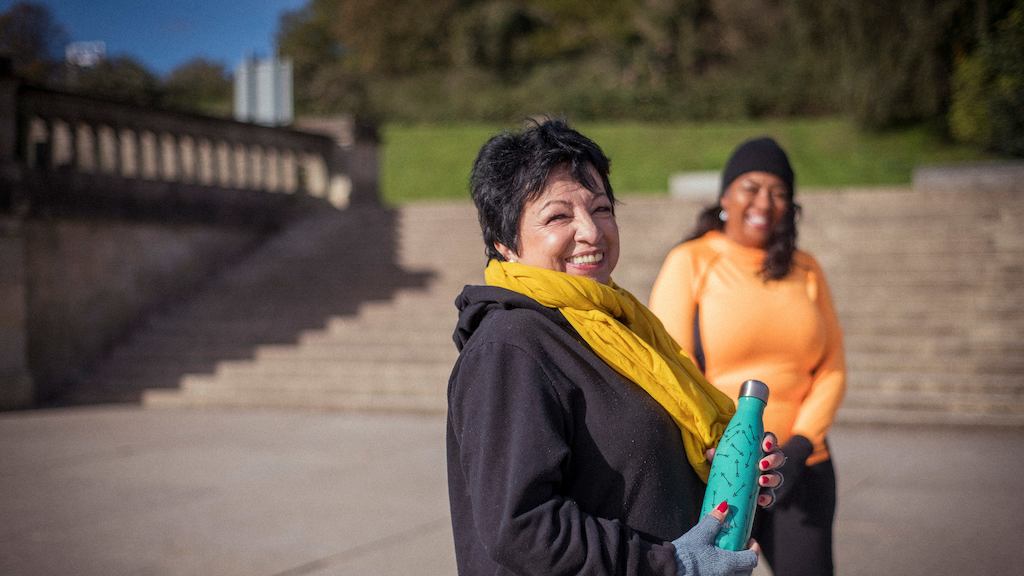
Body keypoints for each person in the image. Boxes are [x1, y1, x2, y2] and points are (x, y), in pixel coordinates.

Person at [446, 118, 784, 576]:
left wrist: (728, 465)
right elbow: (522, 527)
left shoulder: (618, 328)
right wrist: (669, 564)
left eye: (601, 208)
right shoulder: (511, 346)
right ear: (504, 243)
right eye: (558, 216)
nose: (590, 231)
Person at [648, 136, 845, 576]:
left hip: (802, 462)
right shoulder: (691, 260)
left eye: (778, 192)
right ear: (725, 197)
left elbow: (832, 368)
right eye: (751, 187)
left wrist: (799, 444)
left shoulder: (807, 269)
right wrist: (714, 443)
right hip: (721, 467)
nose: (764, 202)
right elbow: (672, 365)